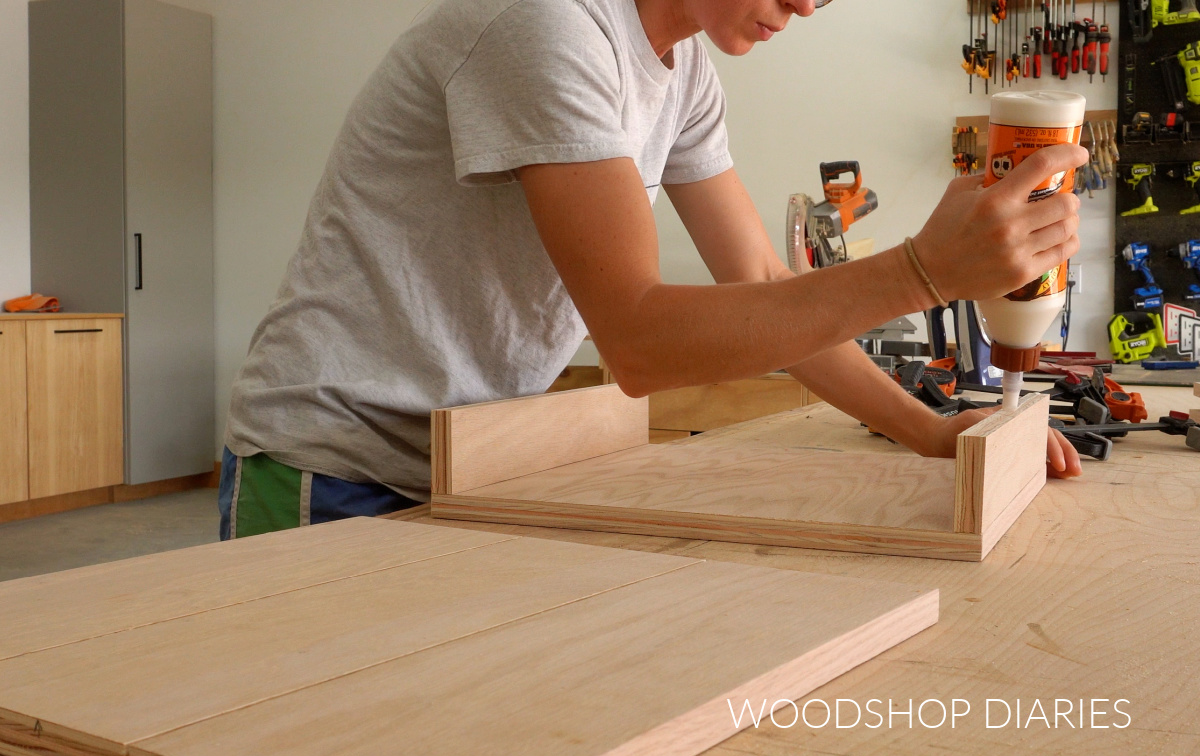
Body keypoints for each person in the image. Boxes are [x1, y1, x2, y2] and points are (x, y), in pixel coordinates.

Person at [218, 0, 1086, 540]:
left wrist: (929, 431)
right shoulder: (545, 24)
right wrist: (923, 273)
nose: (812, 3)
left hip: (466, 458)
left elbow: (761, 286)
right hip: (333, 463)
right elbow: (635, 338)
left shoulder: (685, 76)